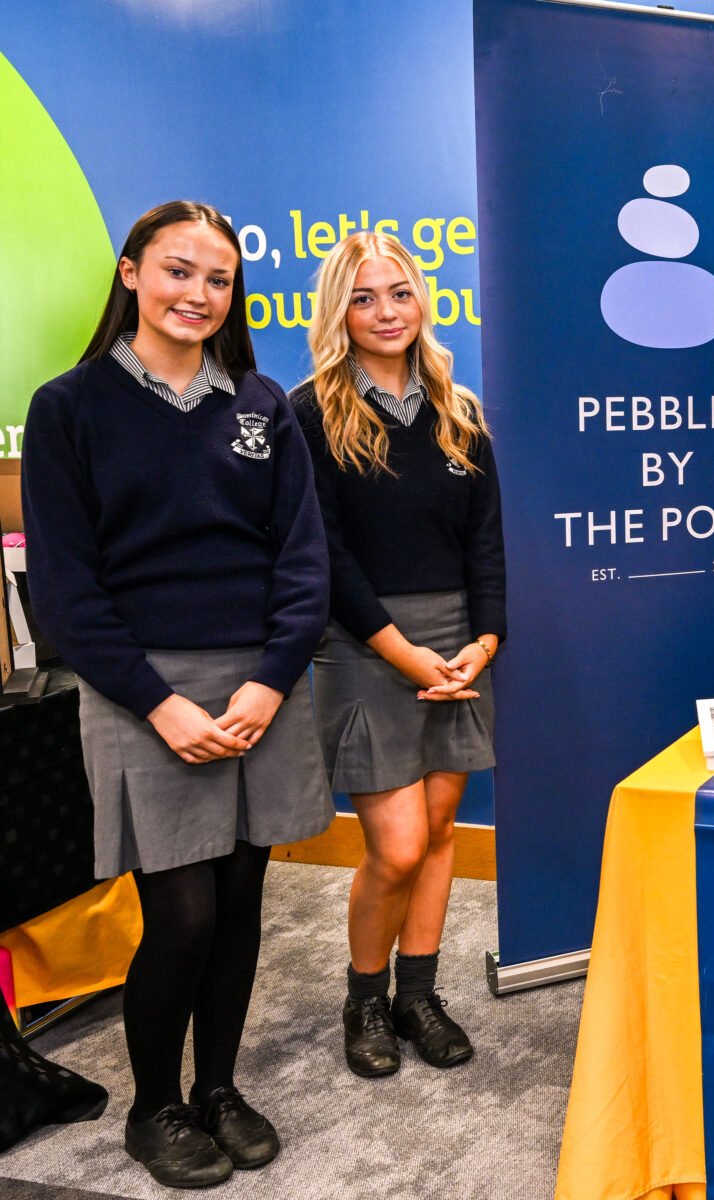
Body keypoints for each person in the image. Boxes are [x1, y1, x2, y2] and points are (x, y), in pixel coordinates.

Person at [22, 201, 331, 1187]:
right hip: (140, 689)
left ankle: (219, 1090)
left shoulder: (260, 402)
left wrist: (269, 683)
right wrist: (161, 703)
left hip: (260, 688)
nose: (199, 294)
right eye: (178, 272)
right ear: (130, 275)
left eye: (218, 279)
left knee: (243, 900)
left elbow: (304, 562)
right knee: (184, 913)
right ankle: (156, 1103)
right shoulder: (69, 407)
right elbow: (67, 594)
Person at [291, 232, 505, 1080]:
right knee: (399, 846)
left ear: (424, 303)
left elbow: (487, 543)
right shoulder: (310, 412)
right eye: (365, 297)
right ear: (339, 312)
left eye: (400, 293)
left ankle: (419, 997)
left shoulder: (461, 408)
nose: (387, 312)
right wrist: (404, 653)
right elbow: (325, 555)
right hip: (364, 643)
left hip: (459, 646)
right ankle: (365, 1000)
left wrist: (482, 644)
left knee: (443, 829)